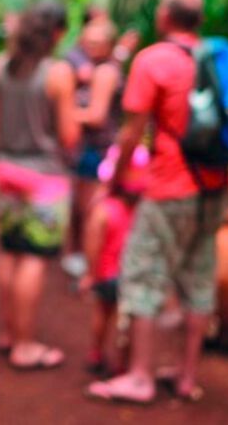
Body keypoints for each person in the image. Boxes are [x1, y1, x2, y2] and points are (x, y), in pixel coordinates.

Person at [87, 0, 228, 403]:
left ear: (165, 17)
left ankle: (140, 377)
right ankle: (186, 377)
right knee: (199, 278)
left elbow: (132, 132)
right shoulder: (218, 58)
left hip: (170, 186)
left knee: (143, 275)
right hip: (215, 188)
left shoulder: (153, 60)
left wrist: (114, 180)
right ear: (198, 20)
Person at [0, 2, 80, 369]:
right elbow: (69, 137)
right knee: (33, 258)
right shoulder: (58, 73)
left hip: (6, 171)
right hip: (44, 178)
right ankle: (25, 346)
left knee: (9, 252)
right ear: (55, 33)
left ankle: (9, 333)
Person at [62, 19, 125, 280]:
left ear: (109, 44)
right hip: (87, 149)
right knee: (79, 208)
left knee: (89, 211)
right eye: (88, 39)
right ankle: (80, 259)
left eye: (98, 41)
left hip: (97, 150)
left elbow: (96, 115)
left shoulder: (105, 73)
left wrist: (62, 114)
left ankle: (92, 270)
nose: (91, 44)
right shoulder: (95, 69)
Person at [79, 145, 149, 375]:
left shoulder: (104, 210)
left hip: (106, 275)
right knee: (126, 320)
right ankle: (122, 363)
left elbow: (93, 243)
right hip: (131, 276)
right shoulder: (142, 211)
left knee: (102, 312)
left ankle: (96, 352)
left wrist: (90, 273)